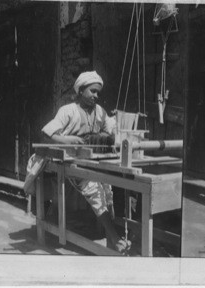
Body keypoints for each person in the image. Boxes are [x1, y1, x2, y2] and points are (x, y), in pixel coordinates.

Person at [40, 71, 129, 254]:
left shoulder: (99, 112)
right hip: (70, 161)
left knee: (107, 189)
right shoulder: (68, 111)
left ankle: (110, 234)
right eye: (92, 91)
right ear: (80, 91)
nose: (96, 96)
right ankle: (114, 237)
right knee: (94, 188)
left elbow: (112, 129)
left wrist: (114, 129)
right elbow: (48, 133)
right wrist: (69, 140)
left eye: (98, 93)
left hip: (92, 160)